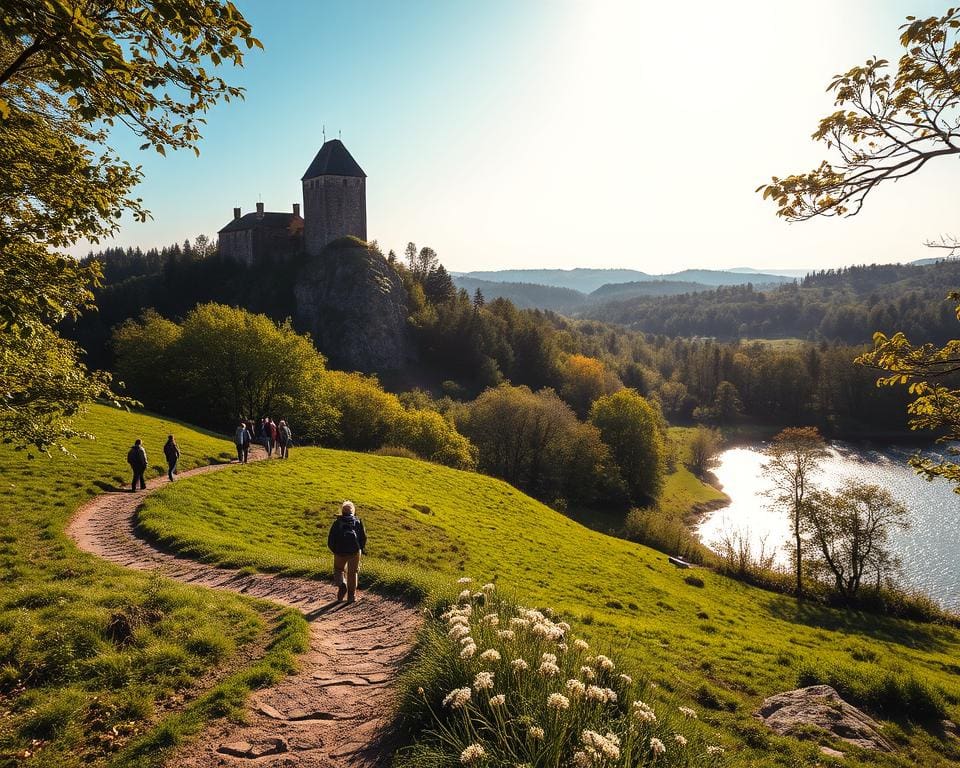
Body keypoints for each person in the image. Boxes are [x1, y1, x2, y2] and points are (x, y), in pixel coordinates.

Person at [327, 501, 367, 603]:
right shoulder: (357, 521)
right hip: (354, 551)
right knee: (353, 573)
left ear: (342, 511)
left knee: (338, 570)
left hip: (340, 552)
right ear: (353, 511)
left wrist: (335, 550)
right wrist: (359, 549)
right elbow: (363, 538)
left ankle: (342, 584)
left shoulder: (337, 523)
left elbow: (331, 539)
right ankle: (351, 597)